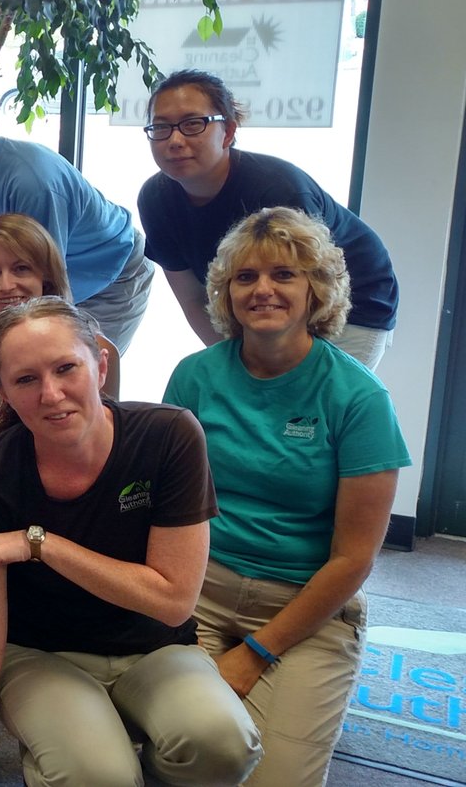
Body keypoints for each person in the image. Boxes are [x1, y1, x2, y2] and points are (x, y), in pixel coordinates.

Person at [0, 297, 260, 787]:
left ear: (100, 364)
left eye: (66, 368)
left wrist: (40, 542)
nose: (51, 394)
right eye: (26, 379)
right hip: (41, 655)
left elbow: (173, 601)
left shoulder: (169, 435)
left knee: (222, 745)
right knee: (98, 775)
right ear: (3, 390)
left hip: (155, 646)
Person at [164, 207, 410, 786]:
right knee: (186, 749)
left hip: (307, 607)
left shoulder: (358, 397)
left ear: (315, 290)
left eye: (284, 275)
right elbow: (165, 505)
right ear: (225, 293)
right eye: (245, 278)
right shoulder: (193, 377)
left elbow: (354, 558)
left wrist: (255, 653)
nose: (263, 290)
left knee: (275, 780)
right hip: (198, 589)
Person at [138, 69, 398, 369]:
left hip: (352, 303)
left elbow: (305, 296)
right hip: (270, 304)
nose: (175, 139)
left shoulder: (277, 191)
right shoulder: (155, 199)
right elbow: (194, 301)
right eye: (161, 127)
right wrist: (236, 367)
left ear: (229, 132)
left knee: (308, 407)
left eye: (193, 124)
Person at [0, 62, 154, 353]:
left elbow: (45, 293)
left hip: (110, 276)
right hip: (28, 281)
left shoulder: (31, 181)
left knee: (64, 367)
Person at [0, 212, 119, 427]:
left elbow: (106, 436)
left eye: (21, 269)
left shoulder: (97, 348)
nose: (6, 285)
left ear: (46, 277)